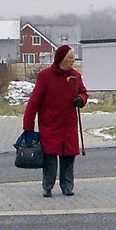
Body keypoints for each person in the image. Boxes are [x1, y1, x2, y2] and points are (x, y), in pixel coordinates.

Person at [23, 44, 88, 197]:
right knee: (50, 158)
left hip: (69, 124)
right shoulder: (45, 76)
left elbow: (84, 93)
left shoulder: (75, 76)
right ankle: (47, 186)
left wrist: (81, 99)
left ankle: (67, 186)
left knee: (68, 157)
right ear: (61, 59)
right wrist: (28, 126)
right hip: (50, 124)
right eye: (70, 58)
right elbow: (34, 102)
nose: (72, 61)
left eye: (73, 58)